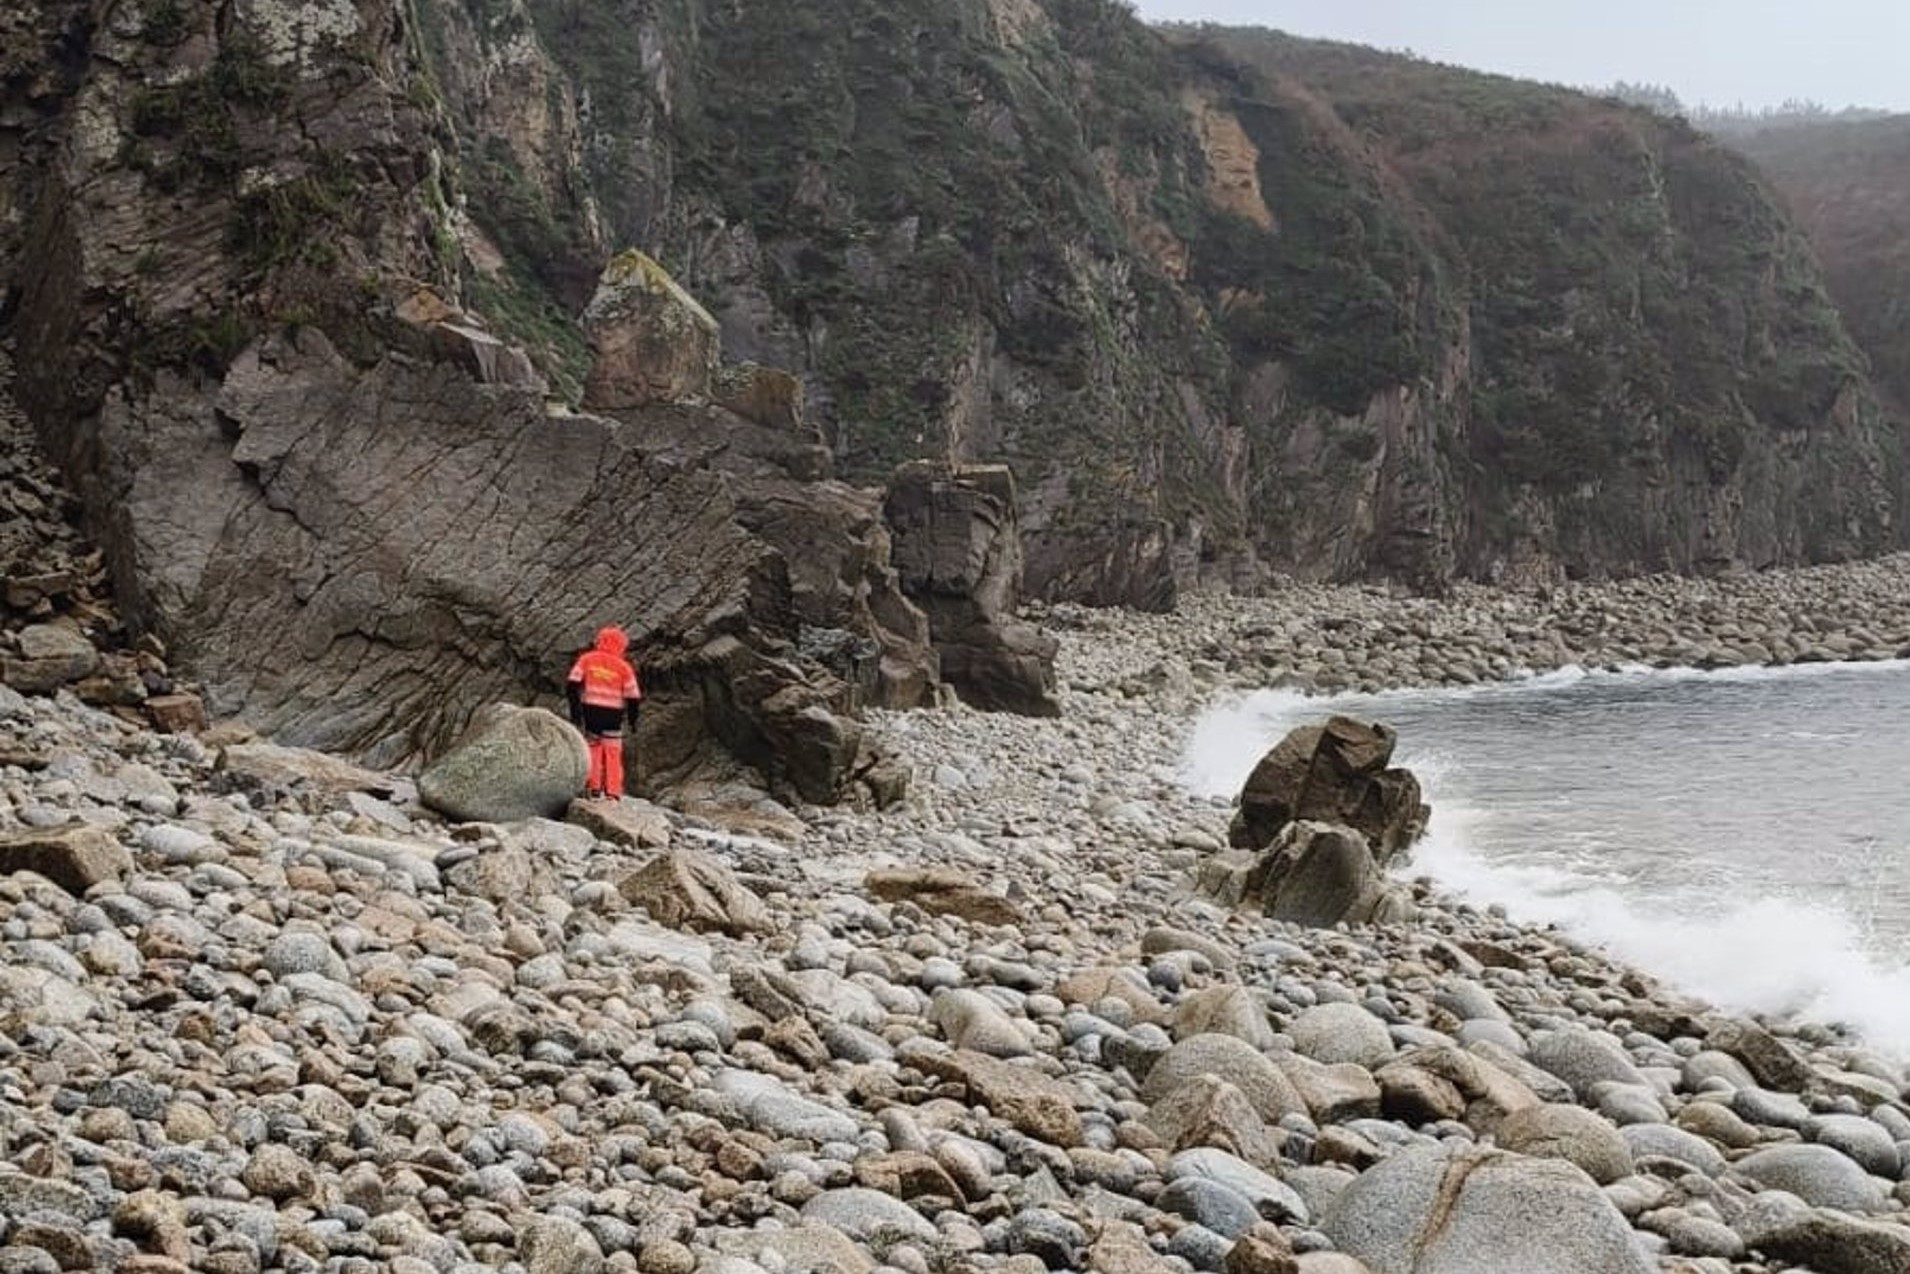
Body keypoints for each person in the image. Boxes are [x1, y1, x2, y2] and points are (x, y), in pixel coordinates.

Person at [565, 625, 643, 799]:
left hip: (591, 712)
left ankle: (594, 788)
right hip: (612, 716)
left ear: (600, 641)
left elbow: (572, 685)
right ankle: (613, 791)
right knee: (613, 752)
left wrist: (576, 712)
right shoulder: (623, 668)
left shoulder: (587, 659)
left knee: (593, 748)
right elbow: (633, 697)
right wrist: (632, 720)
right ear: (621, 645)